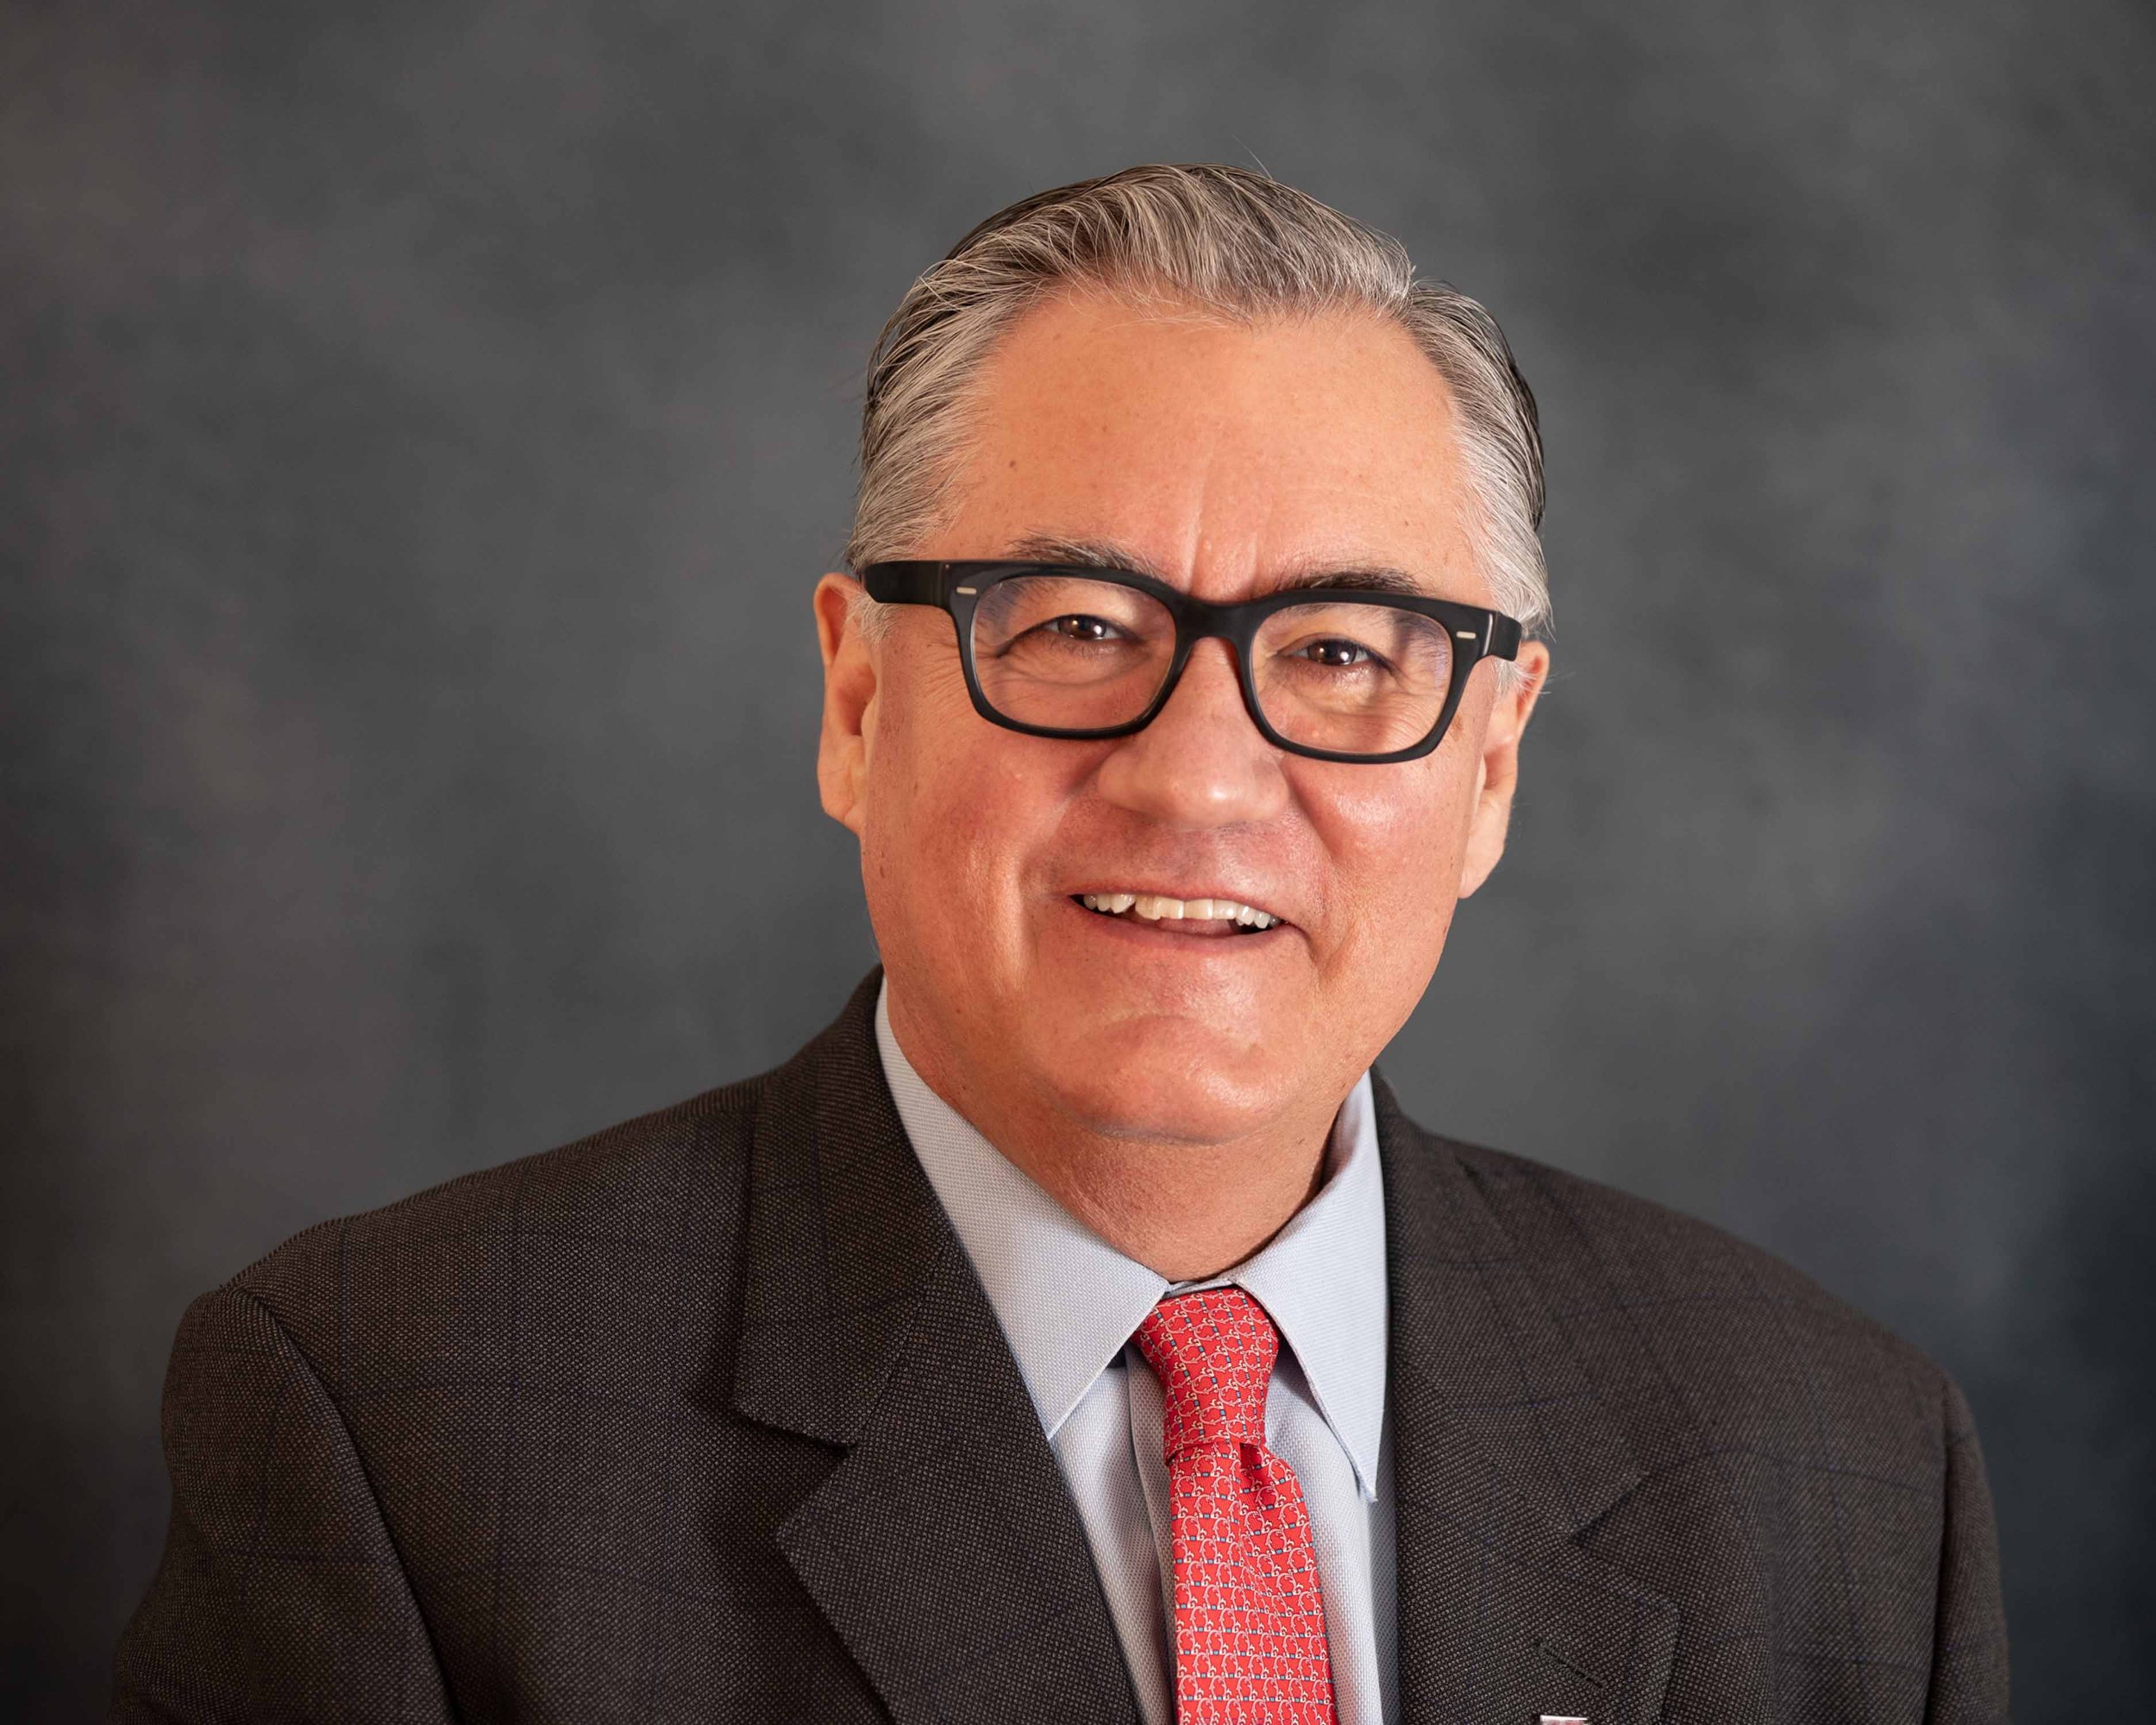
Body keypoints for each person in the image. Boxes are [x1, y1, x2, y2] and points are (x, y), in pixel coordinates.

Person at [111, 165, 2009, 1724]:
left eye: (1340, 653)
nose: (1197, 780)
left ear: (1489, 764)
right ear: (858, 701)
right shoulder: (396, 1425)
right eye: (1075, 626)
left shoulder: (1834, 1468)